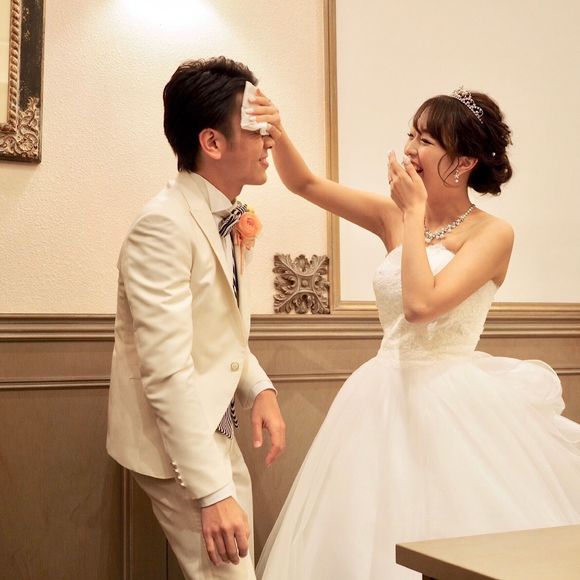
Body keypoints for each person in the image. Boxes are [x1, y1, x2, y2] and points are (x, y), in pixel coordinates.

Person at [249, 88, 580, 579]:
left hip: (454, 404)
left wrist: (410, 215)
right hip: (379, 396)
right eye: (410, 134)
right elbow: (304, 183)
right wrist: (277, 130)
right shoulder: (394, 215)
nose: (409, 149)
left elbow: (421, 305)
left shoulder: (492, 233)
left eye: (425, 140)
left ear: (464, 161)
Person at [106, 57, 286, 580]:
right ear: (212, 142)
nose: (270, 139)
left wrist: (260, 388)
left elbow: (219, 332)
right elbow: (166, 370)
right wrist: (212, 494)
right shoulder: (162, 226)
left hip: (214, 429)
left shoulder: (223, 214)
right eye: (256, 128)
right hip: (175, 448)